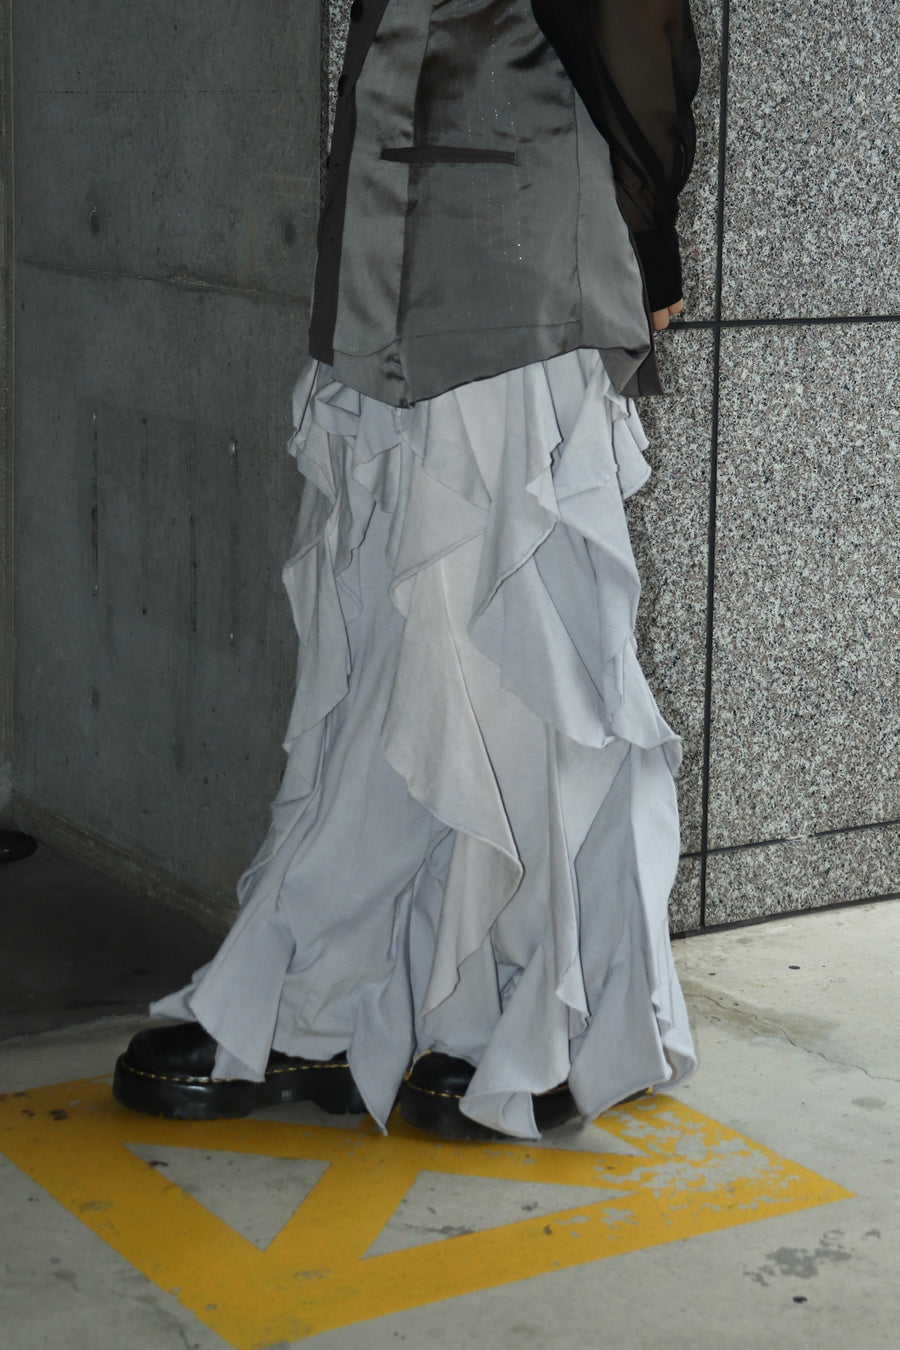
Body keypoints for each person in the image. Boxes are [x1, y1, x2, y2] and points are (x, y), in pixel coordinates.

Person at [114, 0, 702, 1141]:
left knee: (522, 655)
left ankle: (544, 1013)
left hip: (517, 255)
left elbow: (631, 22)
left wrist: (648, 228)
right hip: (389, 261)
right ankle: (332, 993)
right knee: (382, 650)